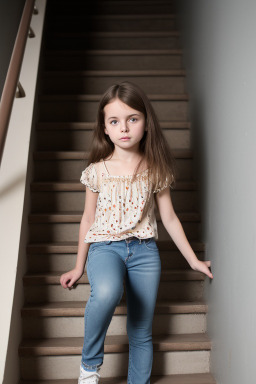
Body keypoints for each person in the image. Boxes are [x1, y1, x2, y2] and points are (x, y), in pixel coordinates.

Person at [60, 81, 213, 384]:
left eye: (133, 119)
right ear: (104, 128)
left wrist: (194, 260)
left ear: (146, 122)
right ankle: (89, 368)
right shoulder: (97, 171)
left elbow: (169, 218)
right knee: (106, 292)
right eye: (114, 121)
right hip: (105, 247)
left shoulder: (155, 169)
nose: (124, 128)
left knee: (141, 329)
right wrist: (79, 266)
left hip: (144, 251)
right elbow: (87, 218)